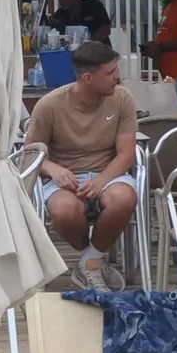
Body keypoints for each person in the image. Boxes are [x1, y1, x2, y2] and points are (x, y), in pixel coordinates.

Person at [26, 39, 140, 288]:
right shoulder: (50, 105)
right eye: (110, 72)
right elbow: (31, 153)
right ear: (88, 78)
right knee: (65, 210)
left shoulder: (122, 99)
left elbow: (126, 154)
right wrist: (53, 169)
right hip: (66, 177)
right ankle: (93, 260)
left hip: (109, 172)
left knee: (123, 198)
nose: (118, 77)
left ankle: (90, 262)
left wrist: (101, 180)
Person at [42, 0, 114, 48]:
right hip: (74, 56)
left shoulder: (94, 5)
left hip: (101, 54)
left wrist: (87, 45)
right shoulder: (59, 15)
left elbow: (106, 29)